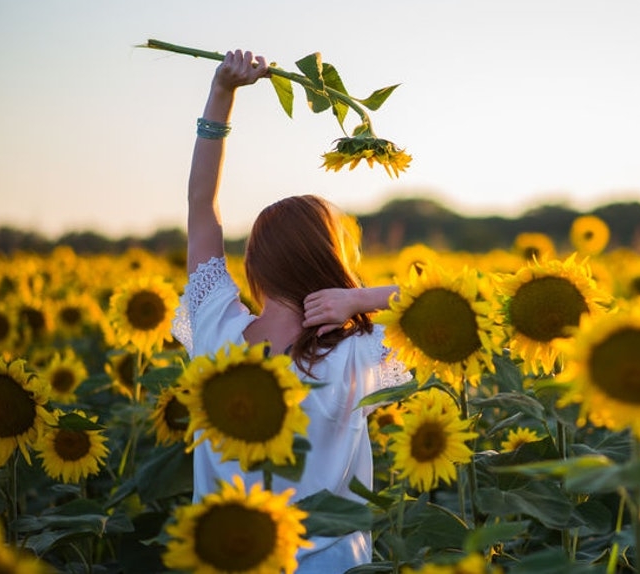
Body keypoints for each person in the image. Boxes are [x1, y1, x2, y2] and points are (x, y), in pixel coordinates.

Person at [170, 49, 409, 572]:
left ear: (255, 263)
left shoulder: (216, 330)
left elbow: (201, 205)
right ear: (335, 262)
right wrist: (361, 298)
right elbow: (461, 302)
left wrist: (222, 93)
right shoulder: (360, 355)